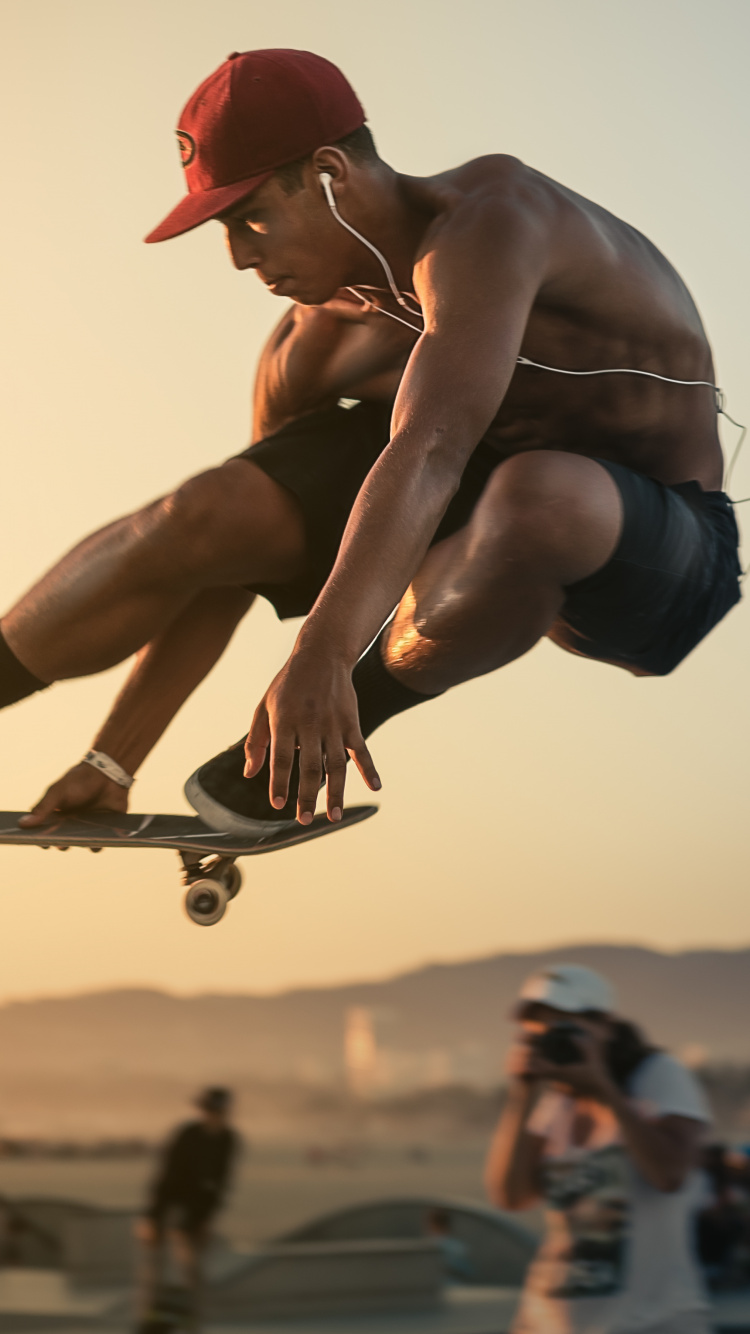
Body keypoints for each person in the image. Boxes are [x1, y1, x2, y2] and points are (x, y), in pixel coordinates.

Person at [3, 48, 741, 834]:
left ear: (330, 173)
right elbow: (233, 561)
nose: (239, 257)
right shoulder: (311, 346)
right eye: (224, 229)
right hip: (468, 527)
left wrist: (321, 656)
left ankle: (322, 731)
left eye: (253, 218)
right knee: (215, 507)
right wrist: (113, 760)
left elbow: (432, 448)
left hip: (663, 556)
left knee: (539, 492)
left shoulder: (494, 223)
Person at [484, 964, 712, 1334]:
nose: (550, 1040)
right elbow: (511, 1196)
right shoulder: (556, 1101)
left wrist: (604, 1090)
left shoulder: (657, 1075)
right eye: (537, 1032)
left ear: (605, 1026)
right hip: (547, 1321)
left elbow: (669, 1175)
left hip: (652, 1321)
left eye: (563, 1028)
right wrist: (523, 1092)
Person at [135, 1087, 239, 1332]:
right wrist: (152, 1218)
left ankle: (191, 1324)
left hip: (197, 1210)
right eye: (209, 1111)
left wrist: (205, 1221)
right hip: (170, 1204)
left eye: (217, 1112)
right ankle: (150, 1321)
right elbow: (167, 1177)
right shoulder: (187, 1135)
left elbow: (220, 1184)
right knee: (155, 1268)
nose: (212, 1116)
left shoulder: (228, 1140)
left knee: (192, 1271)